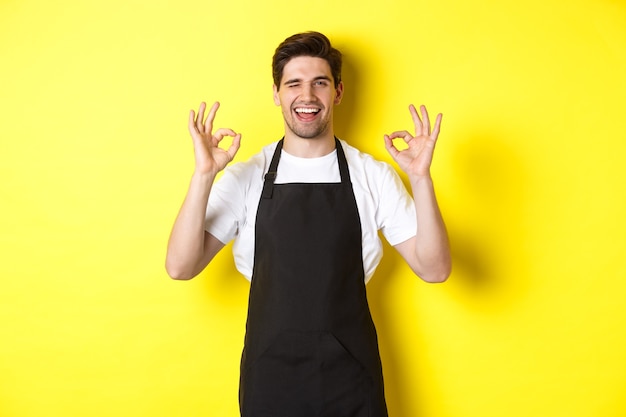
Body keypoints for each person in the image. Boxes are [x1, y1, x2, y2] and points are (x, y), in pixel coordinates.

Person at [166, 31, 451, 417]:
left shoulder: (372, 176)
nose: (307, 96)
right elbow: (181, 266)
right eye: (294, 83)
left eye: (320, 82)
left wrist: (420, 178)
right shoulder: (247, 176)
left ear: (338, 92)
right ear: (276, 93)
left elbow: (434, 269)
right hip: (270, 380)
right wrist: (203, 175)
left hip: (352, 379)